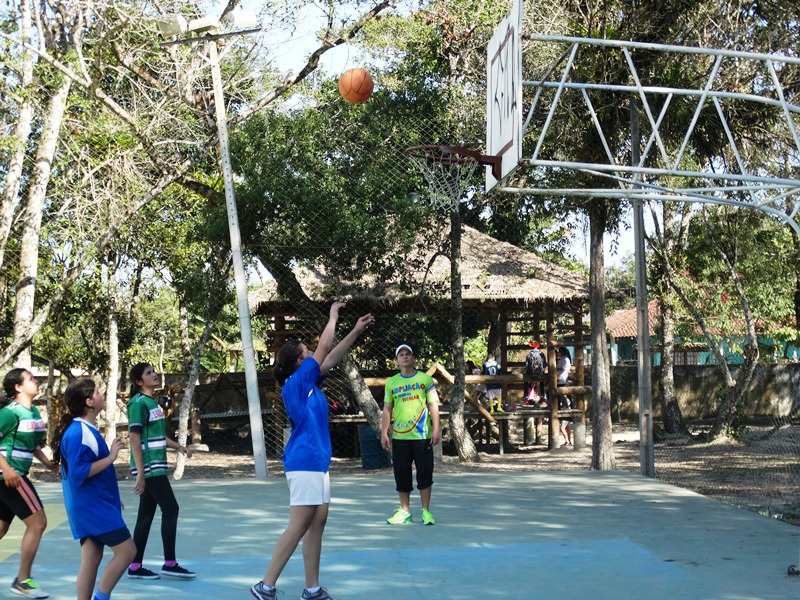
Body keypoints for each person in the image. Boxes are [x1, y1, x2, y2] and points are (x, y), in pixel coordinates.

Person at [251, 302, 374, 600]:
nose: (312, 354)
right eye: (307, 352)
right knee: (298, 526)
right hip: (304, 462)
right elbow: (325, 347)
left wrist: (355, 331)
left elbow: (330, 356)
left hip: (317, 463)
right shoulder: (296, 382)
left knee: (317, 524)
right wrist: (332, 317)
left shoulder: (309, 381)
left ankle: (312, 589)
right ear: (299, 361)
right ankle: (265, 586)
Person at [51, 378, 136, 600]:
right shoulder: (79, 432)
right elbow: (79, 472)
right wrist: (111, 457)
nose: (102, 394)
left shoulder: (83, 429)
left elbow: (91, 474)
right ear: (89, 402)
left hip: (92, 503)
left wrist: (111, 499)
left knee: (92, 557)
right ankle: (101, 597)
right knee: (127, 551)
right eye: (98, 392)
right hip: (91, 506)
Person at [126, 362, 195, 580]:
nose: (154, 374)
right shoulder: (138, 403)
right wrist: (140, 472)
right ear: (139, 381)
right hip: (149, 467)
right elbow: (134, 438)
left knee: (146, 515)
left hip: (156, 465)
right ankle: (170, 563)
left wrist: (178, 446)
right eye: (149, 373)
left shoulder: (151, 402)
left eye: (153, 371)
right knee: (171, 508)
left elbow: (156, 435)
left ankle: (135, 566)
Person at [0, 368, 58, 599]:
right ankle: (22, 580)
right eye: (31, 379)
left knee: (1, 528)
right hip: (9, 476)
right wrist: (7, 469)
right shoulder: (9, 413)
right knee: (38, 522)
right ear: (18, 387)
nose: (36, 381)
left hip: (13, 474)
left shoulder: (33, 412)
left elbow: (32, 445)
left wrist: (49, 464)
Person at [381, 344, 441, 526]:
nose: (405, 357)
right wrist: (384, 432)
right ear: (396, 361)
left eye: (408, 354)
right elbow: (387, 409)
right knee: (401, 474)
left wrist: (436, 429)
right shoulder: (391, 383)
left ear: (413, 358)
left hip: (422, 436)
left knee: (425, 473)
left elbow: (433, 405)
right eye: (401, 354)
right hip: (400, 437)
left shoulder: (425, 379)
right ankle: (405, 511)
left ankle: (426, 511)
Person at [556, 347, 573, 447]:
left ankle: (567, 441)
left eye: (559, 352)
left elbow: (562, 369)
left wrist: (554, 369)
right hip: (560, 380)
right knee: (567, 426)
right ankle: (568, 441)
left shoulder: (565, 359)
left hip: (562, 380)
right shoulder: (562, 359)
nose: (558, 353)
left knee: (563, 428)